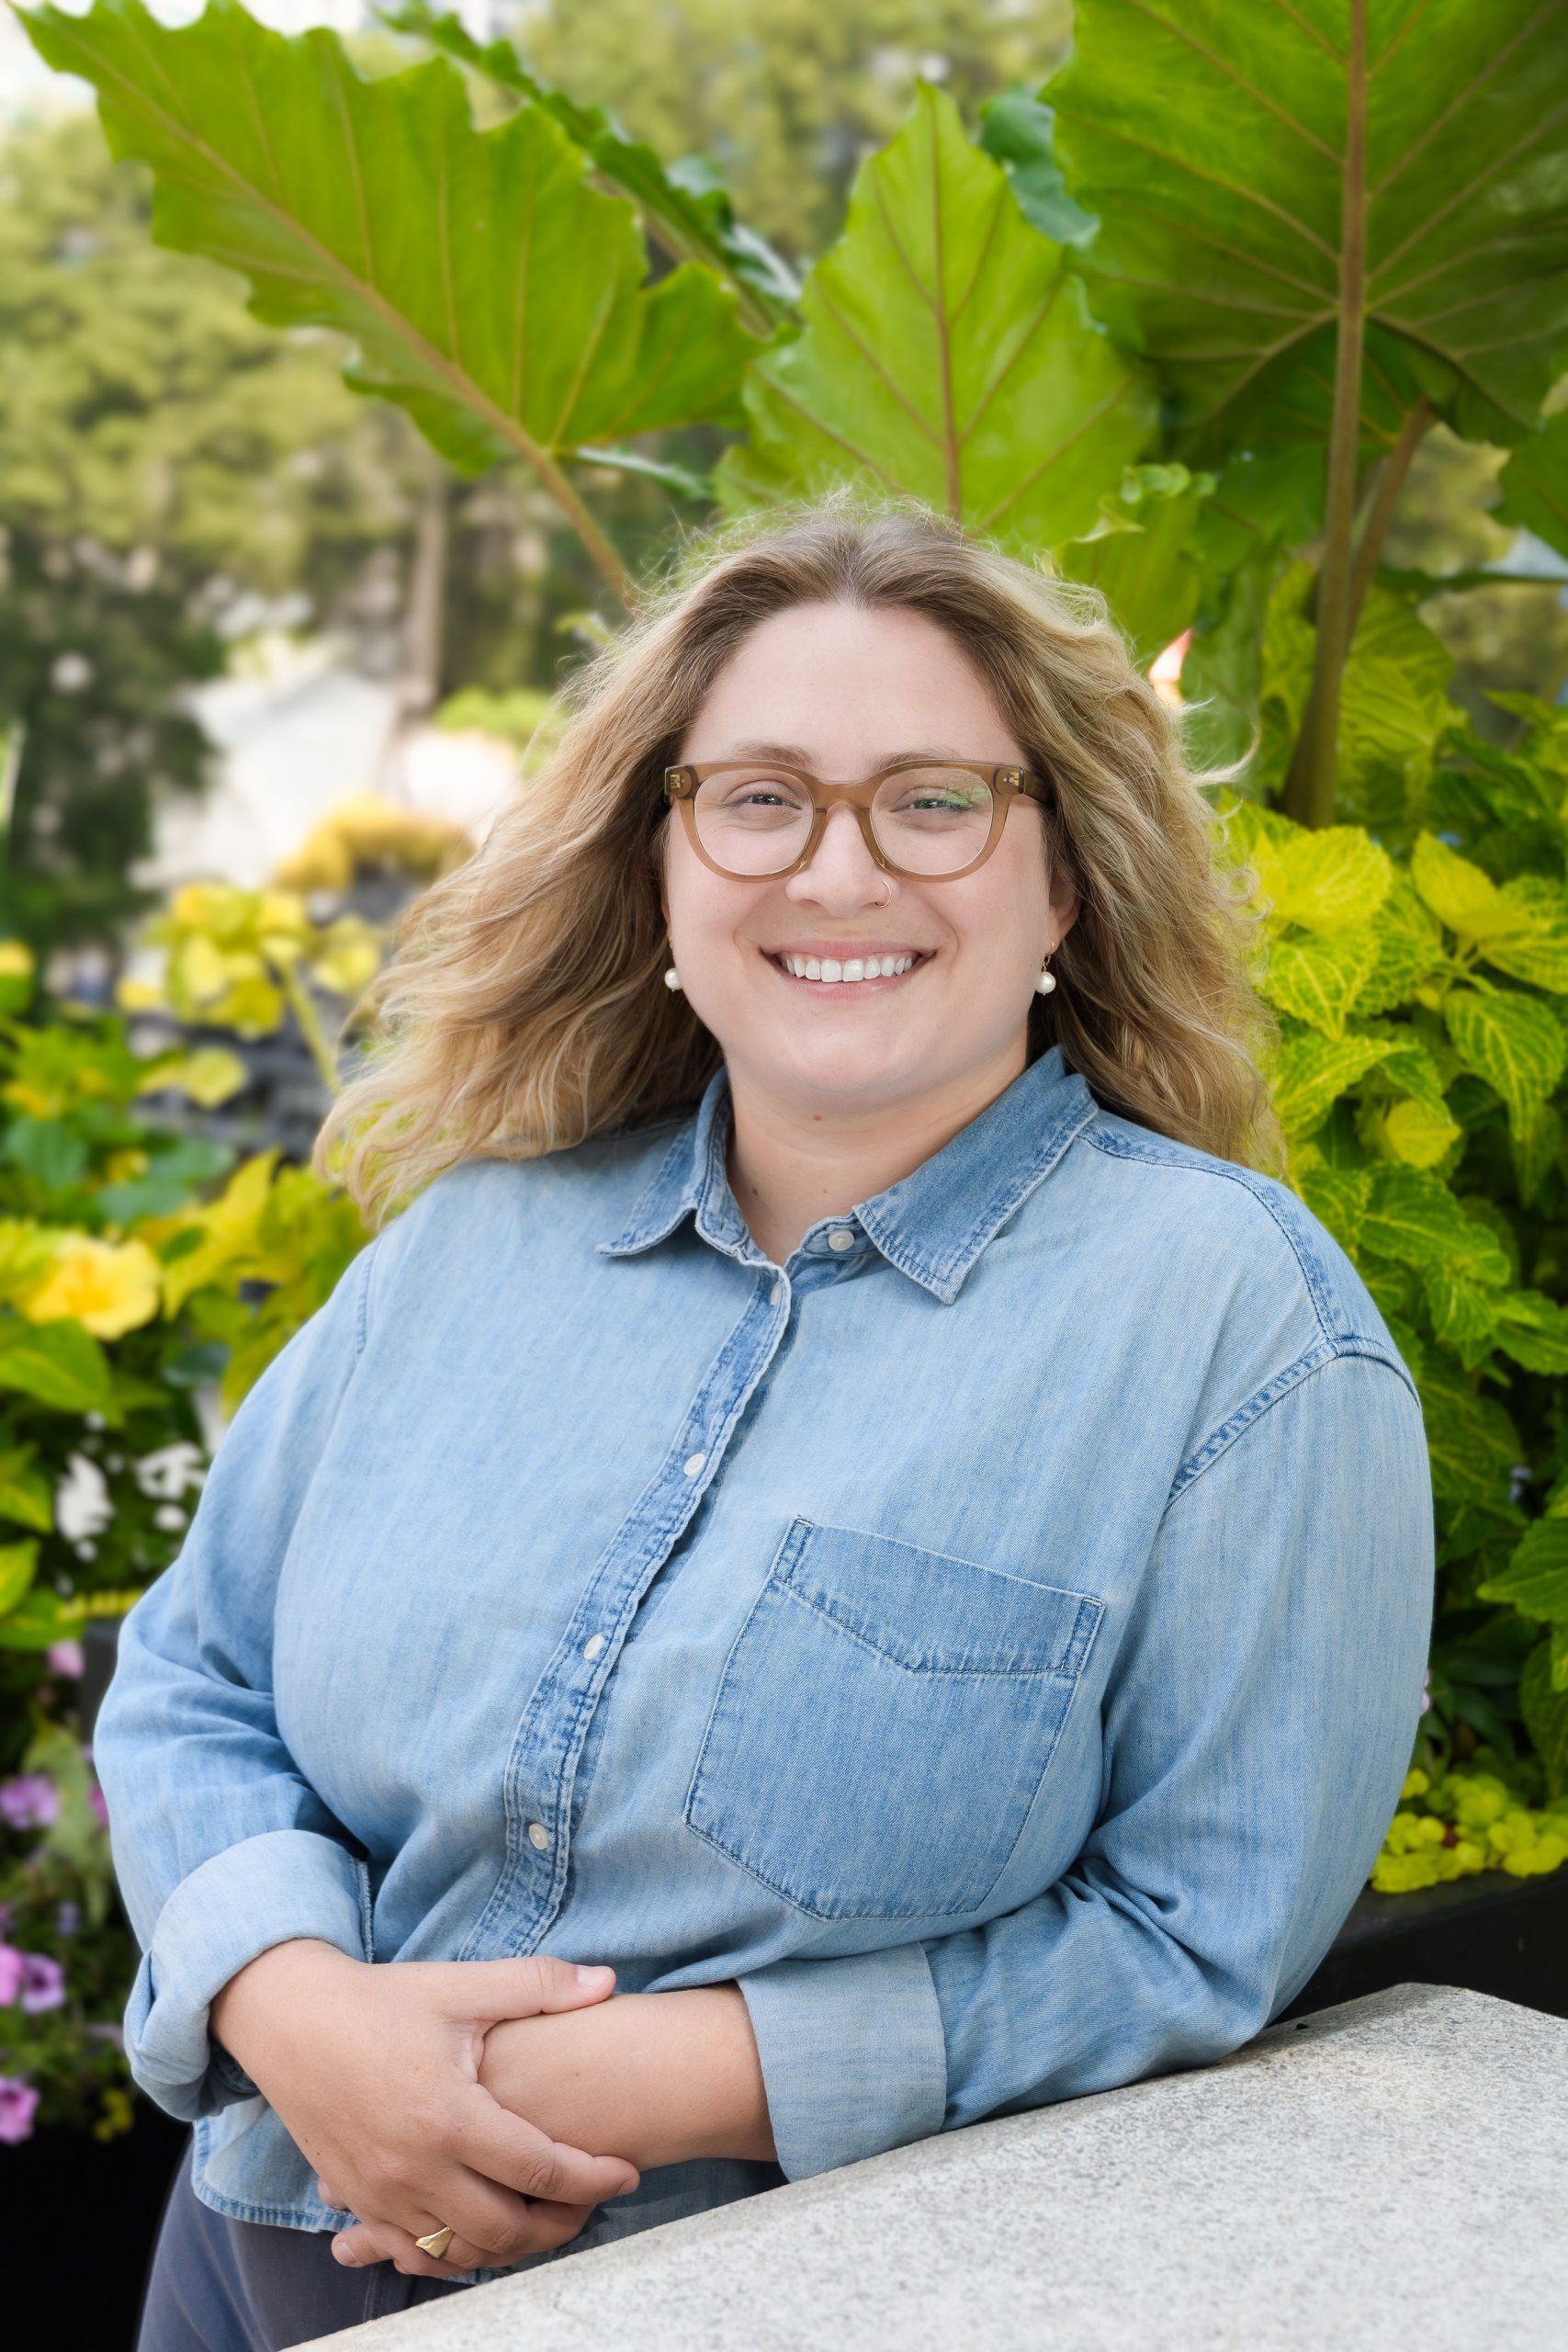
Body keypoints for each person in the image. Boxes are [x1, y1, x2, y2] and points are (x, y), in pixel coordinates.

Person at [102, 494, 1435, 2352]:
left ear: (1059, 880)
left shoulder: (1231, 1326)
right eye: (758, 796)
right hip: (246, 2257)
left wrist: (663, 2074)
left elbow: (1195, 1933)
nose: (837, 869)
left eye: (930, 798)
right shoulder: (473, 1247)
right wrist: (291, 2000)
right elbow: (193, 1674)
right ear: (661, 859)